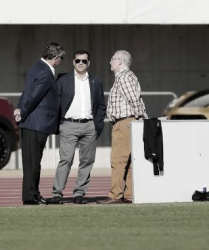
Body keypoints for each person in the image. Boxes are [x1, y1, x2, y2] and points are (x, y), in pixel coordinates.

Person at [50, 50, 106, 205]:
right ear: (73, 62)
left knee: (87, 161)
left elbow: (101, 106)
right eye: (78, 61)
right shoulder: (63, 80)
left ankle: (79, 193)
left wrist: (96, 126)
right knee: (66, 160)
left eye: (84, 61)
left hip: (89, 126)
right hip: (68, 125)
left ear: (89, 63)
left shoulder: (96, 82)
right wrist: (59, 124)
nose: (81, 63)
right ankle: (57, 193)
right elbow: (54, 103)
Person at [14, 42, 65, 205]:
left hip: (33, 123)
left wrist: (20, 108)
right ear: (56, 58)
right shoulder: (44, 71)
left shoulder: (36, 67)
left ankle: (34, 193)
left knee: (33, 162)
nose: (61, 61)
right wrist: (22, 112)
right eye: (61, 58)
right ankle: (30, 196)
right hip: (35, 123)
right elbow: (34, 96)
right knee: (32, 163)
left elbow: (26, 92)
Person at [97, 50, 148, 204]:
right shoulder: (126, 76)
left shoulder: (124, 77)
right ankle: (129, 194)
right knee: (129, 160)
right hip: (129, 122)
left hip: (125, 122)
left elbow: (134, 99)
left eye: (112, 59)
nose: (110, 62)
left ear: (120, 61)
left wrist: (139, 117)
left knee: (118, 159)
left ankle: (115, 194)